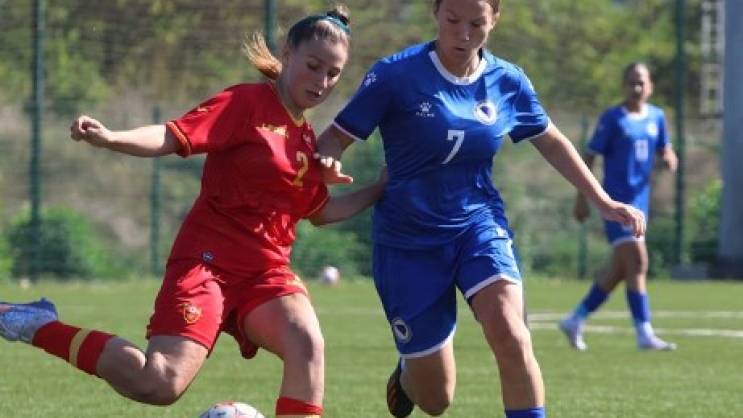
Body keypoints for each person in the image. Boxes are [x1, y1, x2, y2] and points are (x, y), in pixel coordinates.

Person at [0, 6, 385, 418]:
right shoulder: (245, 103)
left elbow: (321, 212)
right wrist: (111, 138)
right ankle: (37, 324)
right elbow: (171, 135)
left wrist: (380, 188)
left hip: (265, 273)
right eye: (313, 66)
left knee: (306, 342)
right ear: (288, 52)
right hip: (208, 263)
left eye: (333, 73)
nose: (322, 81)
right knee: (158, 383)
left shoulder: (307, 140)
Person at [314, 1, 646, 417]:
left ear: (495, 20)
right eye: (453, 20)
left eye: (477, 23)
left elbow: (551, 141)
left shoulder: (508, 80)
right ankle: (408, 374)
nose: (464, 33)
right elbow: (333, 139)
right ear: (436, 13)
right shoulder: (395, 75)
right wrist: (327, 163)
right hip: (408, 242)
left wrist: (603, 200)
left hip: (478, 224)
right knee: (436, 400)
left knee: (513, 335)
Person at [559, 62, 679, 352]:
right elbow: (589, 157)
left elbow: (664, 149)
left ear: (650, 86)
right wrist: (582, 198)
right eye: (631, 82)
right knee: (637, 260)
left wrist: (669, 158)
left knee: (620, 270)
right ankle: (644, 332)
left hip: (641, 203)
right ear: (623, 85)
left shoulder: (657, 117)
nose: (636, 88)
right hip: (615, 204)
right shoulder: (613, 118)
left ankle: (575, 319)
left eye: (641, 82)